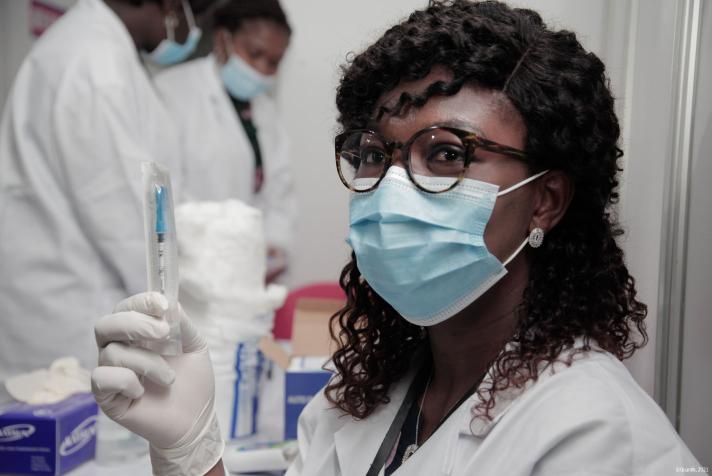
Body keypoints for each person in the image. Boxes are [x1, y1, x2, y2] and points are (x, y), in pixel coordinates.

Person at [90, 1, 702, 475]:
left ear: (544, 201)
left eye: (446, 154)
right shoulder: (364, 396)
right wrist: (192, 453)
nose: (392, 187)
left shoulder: (593, 433)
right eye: (377, 154)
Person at [0, 0, 214, 383]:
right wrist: (184, 315)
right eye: (192, 15)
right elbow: (124, 218)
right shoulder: (95, 63)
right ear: (170, 6)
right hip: (67, 311)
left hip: (72, 297)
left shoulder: (98, 48)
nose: (192, 32)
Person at [155, 0, 295, 283]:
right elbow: (166, 194)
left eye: (274, 62)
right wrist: (221, 248)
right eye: (255, 54)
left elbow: (279, 192)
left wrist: (274, 246)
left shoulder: (266, 112)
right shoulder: (171, 92)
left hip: (248, 275)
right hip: (191, 271)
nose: (263, 69)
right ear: (222, 40)